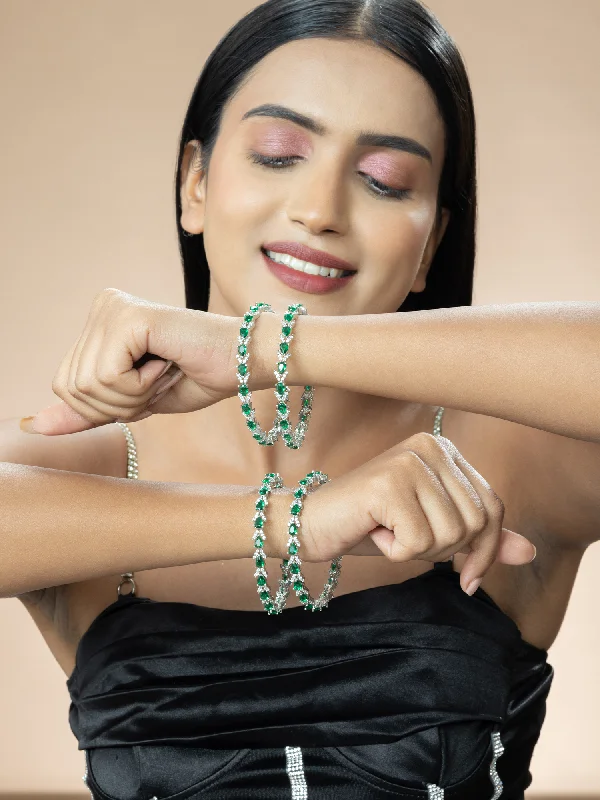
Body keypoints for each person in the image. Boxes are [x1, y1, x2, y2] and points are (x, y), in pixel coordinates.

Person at [2, 0, 599, 796]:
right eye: (280, 154)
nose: (320, 210)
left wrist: (262, 346)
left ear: (431, 247)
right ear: (194, 184)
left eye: (384, 181)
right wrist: (294, 519)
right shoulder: (77, 471)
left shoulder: (516, 460)